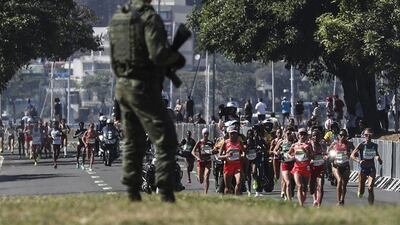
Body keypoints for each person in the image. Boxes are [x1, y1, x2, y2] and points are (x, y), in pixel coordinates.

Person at [110, 0, 186, 203]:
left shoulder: (119, 18)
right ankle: (166, 189)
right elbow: (157, 54)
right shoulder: (150, 18)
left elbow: (115, 56)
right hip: (143, 87)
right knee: (166, 138)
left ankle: (133, 190)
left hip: (123, 85)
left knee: (133, 140)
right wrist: (174, 59)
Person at [351, 128, 383, 205]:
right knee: (362, 190)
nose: (368, 136)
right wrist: (359, 160)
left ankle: (371, 207)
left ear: (372, 136)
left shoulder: (375, 145)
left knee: (370, 187)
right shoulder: (361, 145)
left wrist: (378, 159)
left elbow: (376, 155)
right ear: (364, 136)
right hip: (362, 168)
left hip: (371, 167)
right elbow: (352, 155)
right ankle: (360, 191)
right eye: (366, 135)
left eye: (370, 135)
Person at [288, 128, 313, 206]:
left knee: (305, 188)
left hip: (306, 168)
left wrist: (305, 151)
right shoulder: (294, 145)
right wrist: (291, 157)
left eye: (304, 134)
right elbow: (288, 154)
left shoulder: (308, 145)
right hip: (297, 168)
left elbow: (311, 156)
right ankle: (301, 205)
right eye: (301, 134)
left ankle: (300, 203)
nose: (302, 136)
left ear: (306, 136)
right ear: (298, 135)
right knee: (299, 186)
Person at [218, 126, 245, 195]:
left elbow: (244, 152)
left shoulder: (239, 142)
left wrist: (242, 155)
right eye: (231, 133)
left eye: (235, 133)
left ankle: (236, 199)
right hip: (228, 166)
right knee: (227, 187)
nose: (233, 135)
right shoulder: (225, 143)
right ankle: (227, 201)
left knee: (238, 183)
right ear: (229, 134)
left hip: (237, 165)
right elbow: (219, 156)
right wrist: (226, 156)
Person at [328, 129, 352, 206]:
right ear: (338, 136)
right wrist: (330, 156)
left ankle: (342, 199)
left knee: (344, 184)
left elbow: (355, 153)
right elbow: (328, 151)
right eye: (341, 135)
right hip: (336, 166)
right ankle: (338, 201)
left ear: (346, 136)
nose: (342, 137)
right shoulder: (335, 143)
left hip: (345, 165)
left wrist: (349, 153)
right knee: (340, 181)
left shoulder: (349, 144)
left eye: (344, 136)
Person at [273, 128, 295, 201]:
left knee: (291, 181)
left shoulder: (294, 142)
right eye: (287, 133)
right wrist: (278, 154)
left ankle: (286, 192)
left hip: (293, 163)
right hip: (284, 163)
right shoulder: (281, 141)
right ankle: (288, 200)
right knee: (287, 181)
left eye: (290, 133)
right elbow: (274, 150)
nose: (288, 135)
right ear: (284, 134)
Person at [192, 128, 214, 194]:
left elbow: (214, 149)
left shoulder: (210, 142)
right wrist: (197, 157)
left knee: (206, 176)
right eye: (205, 134)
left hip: (208, 161)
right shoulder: (199, 142)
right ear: (202, 134)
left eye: (207, 133)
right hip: (200, 162)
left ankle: (205, 193)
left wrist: (213, 151)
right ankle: (199, 178)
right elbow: (192, 151)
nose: (206, 135)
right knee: (201, 180)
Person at [309, 129, 327, 207]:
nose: (316, 137)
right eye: (314, 135)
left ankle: (319, 204)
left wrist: (326, 156)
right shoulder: (309, 145)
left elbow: (326, 154)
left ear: (320, 137)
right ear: (312, 136)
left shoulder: (323, 145)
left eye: (317, 135)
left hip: (321, 167)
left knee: (320, 186)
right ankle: (315, 199)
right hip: (312, 167)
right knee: (312, 187)